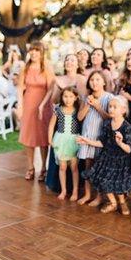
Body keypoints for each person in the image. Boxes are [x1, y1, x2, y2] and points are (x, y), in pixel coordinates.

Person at [78, 95, 131, 215]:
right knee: (104, 180)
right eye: (110, 106)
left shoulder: (127, 127)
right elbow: (102, 143)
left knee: (118, 181)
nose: (111, 109)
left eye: (115, 107)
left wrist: (120, 143)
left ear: (123, 110)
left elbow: (129, 149)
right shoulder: (106, 123)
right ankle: (113, 203)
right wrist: (87, 141)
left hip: (120, 160)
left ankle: (122, 202)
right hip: (106, 157)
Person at [43, 54, 87, 193]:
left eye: (72, 60)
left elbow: (82, 100)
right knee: (61, 157)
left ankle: (74, 187)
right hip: (61, 120)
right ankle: (58, 185)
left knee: (73, 161)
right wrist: (57, 87)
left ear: (77, 64)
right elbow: (55, 100)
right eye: (67, 60)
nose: (69, 62)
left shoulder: (81, 79)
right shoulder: (57, 79)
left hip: (75, 119)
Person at [17, 41, 55, 181]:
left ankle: (43, 168)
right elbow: (20, 88)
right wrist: (20, 106)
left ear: (41, 53)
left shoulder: (46, 68)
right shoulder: (25, 68)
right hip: (28, 105)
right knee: (29, 138)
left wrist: (42, 105)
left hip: (43, 106)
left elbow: (51, 88)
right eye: (32, 50)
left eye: (36, 50)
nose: (33, 53)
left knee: (43, 138)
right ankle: (30, 168)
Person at [76, 71, 112, 205]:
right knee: (88, 166)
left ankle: (98, 197)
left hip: (100, 138)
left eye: (97, 79)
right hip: (87, 136)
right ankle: (87, 194)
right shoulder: (87, 97)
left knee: (98, 167)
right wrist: (88, 105)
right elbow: (80, 117)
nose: (94, 82)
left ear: (103, 82)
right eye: (91, 80)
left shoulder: (109, 97)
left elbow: (109, 118)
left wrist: (97, 106)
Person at [48, 86, 81, 201]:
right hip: (61, 140)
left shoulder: (78, 110)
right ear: (62, 97)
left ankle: (75, 191)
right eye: (65, 96)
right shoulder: (58, 109)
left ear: (76, 98)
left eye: (71, 96)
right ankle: (64, 190)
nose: (68, 99)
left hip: (73, 140)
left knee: (74, 167)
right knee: (62, 167)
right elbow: (52, 125)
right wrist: (49, 139)